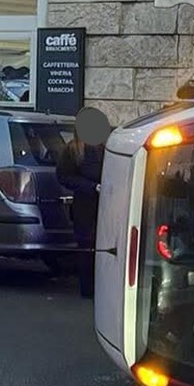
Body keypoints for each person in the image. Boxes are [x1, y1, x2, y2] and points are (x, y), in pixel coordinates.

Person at [58, 108, 109, 299]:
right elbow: (64, 176)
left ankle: (101, 287)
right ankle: (87, 289)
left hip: (106, 205)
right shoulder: (73, 150)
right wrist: (91, 187)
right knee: (87, 246)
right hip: (85, 204)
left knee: (103, 248)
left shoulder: (106, 147)